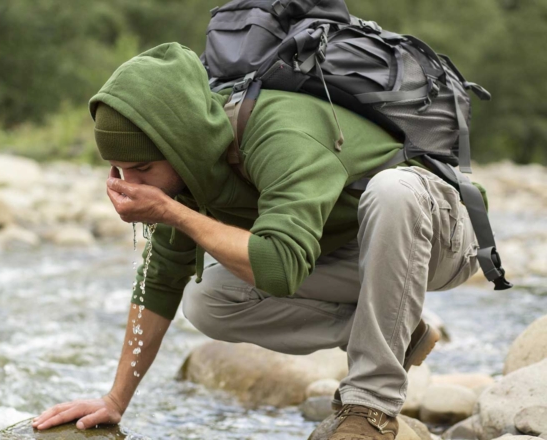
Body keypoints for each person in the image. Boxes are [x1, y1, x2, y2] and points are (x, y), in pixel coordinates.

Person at [32, 43, 482, 439]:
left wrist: (172, 212)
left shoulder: (279, 133)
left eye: (143, 169)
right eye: (118, 170)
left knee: (392, 190)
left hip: (438, 236)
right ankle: (396, 330)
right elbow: (158, 286)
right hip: (351, 247)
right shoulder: (187, 177)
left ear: (179, 143)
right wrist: (114, 400)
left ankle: (371, 409)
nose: (131, 184)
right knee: (208, 298)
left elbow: (280, 269)